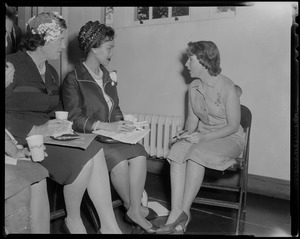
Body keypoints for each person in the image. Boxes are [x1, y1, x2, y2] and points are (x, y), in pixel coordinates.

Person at [5, 12, 121, 234]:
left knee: (94, 148)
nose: (62, 46)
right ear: (43, 39)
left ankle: (108, 226)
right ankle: (74, 221)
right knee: (85, 161)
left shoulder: (50, 71)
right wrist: (35, 129)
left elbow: (52, 109)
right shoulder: (12, 65)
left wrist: (64, 123)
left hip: (46, 133)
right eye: (59, 40)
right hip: (21, 137)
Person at [61, 21, 156, 233]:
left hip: (110, 136)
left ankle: (133, 209)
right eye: (109, 47)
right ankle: (135, 208)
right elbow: (74, 118)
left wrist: (123, 124)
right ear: (94, 47)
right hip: (91, 139)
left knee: (140, 153)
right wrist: (107, 126)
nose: (112, 52)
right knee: (120, 164)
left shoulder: (107, 75)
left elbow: (115, 108)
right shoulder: (73, 78)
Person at [156, 41, 246, 234]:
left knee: (196, 153)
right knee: (177, 149)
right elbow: (191, 119)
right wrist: (184, 133)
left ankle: (184, 212)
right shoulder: (193, 87)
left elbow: (232, 126)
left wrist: (202, 137)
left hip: (229, 138)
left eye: (190, 59)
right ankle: (175, 212)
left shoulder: (227, 87)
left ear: (204, 61)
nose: (186, 64)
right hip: (202, 136)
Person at [5, 11, 49, 233]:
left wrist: (13, 151)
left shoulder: (50, 72)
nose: (6, 42)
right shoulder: (13, 65)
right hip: (25, 132)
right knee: (19, 183)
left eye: (8, 35)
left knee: (35, 173)